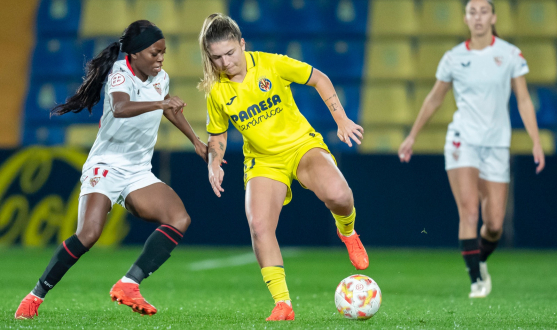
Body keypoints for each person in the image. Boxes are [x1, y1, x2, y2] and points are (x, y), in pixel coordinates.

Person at [15, 20, 207, 319]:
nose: (160, 58)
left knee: (179, 218)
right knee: (89, 234)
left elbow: (169, 109)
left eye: (163, 52)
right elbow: (120, 107)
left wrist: (196, 141)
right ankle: (35, 295)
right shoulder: (121, 73)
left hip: (138, 170)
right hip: (106, 165)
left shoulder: (161, 78)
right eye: (155, 52)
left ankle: (129, 283)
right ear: (135, 53)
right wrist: (160, 102)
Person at [198, 13, 368, 321]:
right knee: (260, 227)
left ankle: (348, 231)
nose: (225, 63)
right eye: (217, 57)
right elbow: (217, 134)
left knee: (340, 196)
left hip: (302, 145)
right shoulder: (216, 91)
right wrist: (214, 162)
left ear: (242, 44)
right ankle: (282, 303)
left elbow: (319, 78)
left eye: (230, 53)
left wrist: (341, 119)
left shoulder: (272, 64)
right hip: (263, 160)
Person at [398, 0, 545, 298]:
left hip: (496, 144)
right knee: (469, 210)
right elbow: (434, 99)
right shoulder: (453, 58)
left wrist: (536, 141)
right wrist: (412, 135)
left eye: (483, 11)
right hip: (461, 139)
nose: (478, 17)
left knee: (494, 224)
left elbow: (524, 99)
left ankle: (480, 259)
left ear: (493, 16)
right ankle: (476, 280)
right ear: (465, 19)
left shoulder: (510, 54)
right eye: (472, 12)